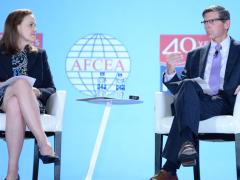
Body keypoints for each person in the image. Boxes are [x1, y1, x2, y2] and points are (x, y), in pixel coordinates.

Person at [151, 5, 240, 180]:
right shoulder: (194, 55)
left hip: (223, 102)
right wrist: (170, 71)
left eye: (212, 21)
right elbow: (180, 89)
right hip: (196, 100)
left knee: (185, 108)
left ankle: (170, 168)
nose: (207, 25)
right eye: (205, 22)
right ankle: (186, 146)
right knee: (189, 85)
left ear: (227, 23)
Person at [0, 9, 59, 180]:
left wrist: (37, 91)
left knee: (15, 104)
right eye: (31, 25)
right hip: (2, 97)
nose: (35, 29)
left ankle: (12, 175)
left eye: (35, 25)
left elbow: (51, 88)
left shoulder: (40, 55)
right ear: (16, 27)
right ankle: (44, 145)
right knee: (20, 83)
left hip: (31, 103)